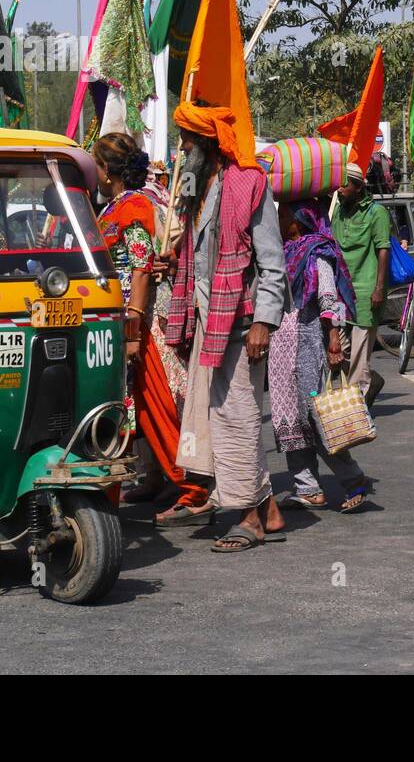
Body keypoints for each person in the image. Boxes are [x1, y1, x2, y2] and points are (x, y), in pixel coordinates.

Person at [164, 102, 288, 553]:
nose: (181, 149)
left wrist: (263, 322)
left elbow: (273, 263)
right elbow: (196, 260)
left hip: (239, 323)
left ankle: (247, 518)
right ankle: (269, 509)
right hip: (206, 323)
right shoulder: (196, 191)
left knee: (235, 418)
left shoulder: (249, 185)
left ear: (208, 145)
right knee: (221, 415)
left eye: (187, 141)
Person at [93, 133, 211, 519]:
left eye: (96, 164)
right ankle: (157, 479)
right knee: (135, 409)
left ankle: (194, 487)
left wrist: (134, 326)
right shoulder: (117, 205)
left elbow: (141, 268)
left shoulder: (132, 208)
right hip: (119, 321)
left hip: (136, 324)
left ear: (107, 170)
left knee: (156, 406)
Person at [270, 197, 372, 513]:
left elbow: (328, 298)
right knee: (287, 417)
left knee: (313, 414)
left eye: (284, 211)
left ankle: (353, 479)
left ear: (299, 218)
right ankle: (307, 488)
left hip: (308, 337)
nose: (279, 216)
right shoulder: (280, 251)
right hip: (280, 342)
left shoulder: (318, 250)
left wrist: (333, 340)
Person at [332, 162, 391, 407]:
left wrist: (379, 288)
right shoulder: (338, 211)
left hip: (366, 291)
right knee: (338, 349)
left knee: (359, 355)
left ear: (358, 186)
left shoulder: (376, 212)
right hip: (340, 290)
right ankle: (371, 380)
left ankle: (357, 409)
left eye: (344, 184)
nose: (339, 189)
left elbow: (383, 250)